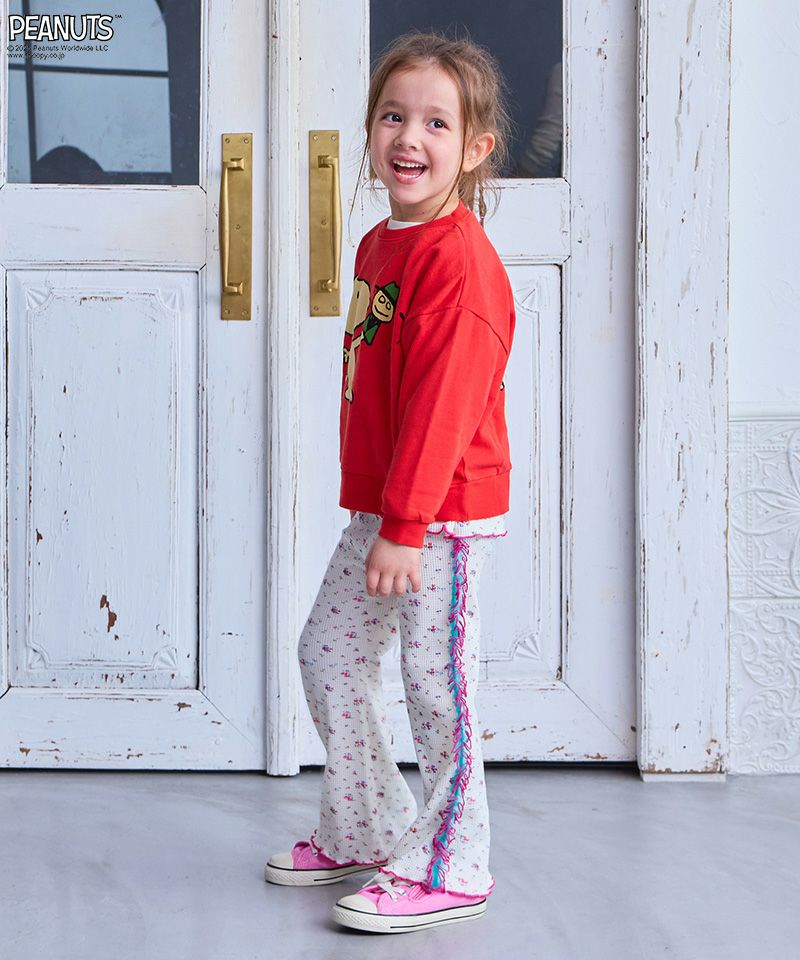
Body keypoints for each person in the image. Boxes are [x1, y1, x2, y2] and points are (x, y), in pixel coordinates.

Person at [265, 30, 516, 935]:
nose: (410, 137)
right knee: (327, 654)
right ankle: (368, 826)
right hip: (387, 509)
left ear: (476, 148)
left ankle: (453, 864)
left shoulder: (458, 264)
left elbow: (444, 411)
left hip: (438, 516)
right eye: (393, 116)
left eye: (436, 124)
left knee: (438, 688)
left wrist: (406, 526)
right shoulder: (382, 243)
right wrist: (383, 513)